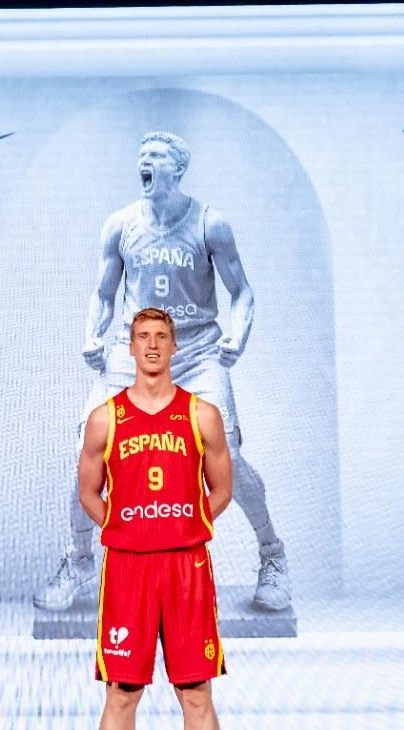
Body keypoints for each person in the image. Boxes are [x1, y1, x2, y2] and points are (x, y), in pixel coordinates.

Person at [39, 131, 292, 614]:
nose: (144, 162)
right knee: (87, 454)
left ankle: (272, 555)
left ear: (177, 169)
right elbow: (104, 292)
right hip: (131, 349)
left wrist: (238, 335)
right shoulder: (119, 224)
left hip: (195, 350)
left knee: (228, 457)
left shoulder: (210, 224)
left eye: (154, 156)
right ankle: (78, 559)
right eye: (141, 156)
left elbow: (243, 293)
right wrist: (92, 336)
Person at [83, 307, 234, 730]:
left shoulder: (202, 415)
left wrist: (184, 526)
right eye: (142, 337)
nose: (151, 346)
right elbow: (88, 492)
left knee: (196, 691)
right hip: (128, 569)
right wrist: (124, 529)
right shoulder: (106, 418)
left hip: (186, 568)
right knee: (122, 693)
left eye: (161, 337)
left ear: (174, 347)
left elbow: (220, 488)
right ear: (130, 347)